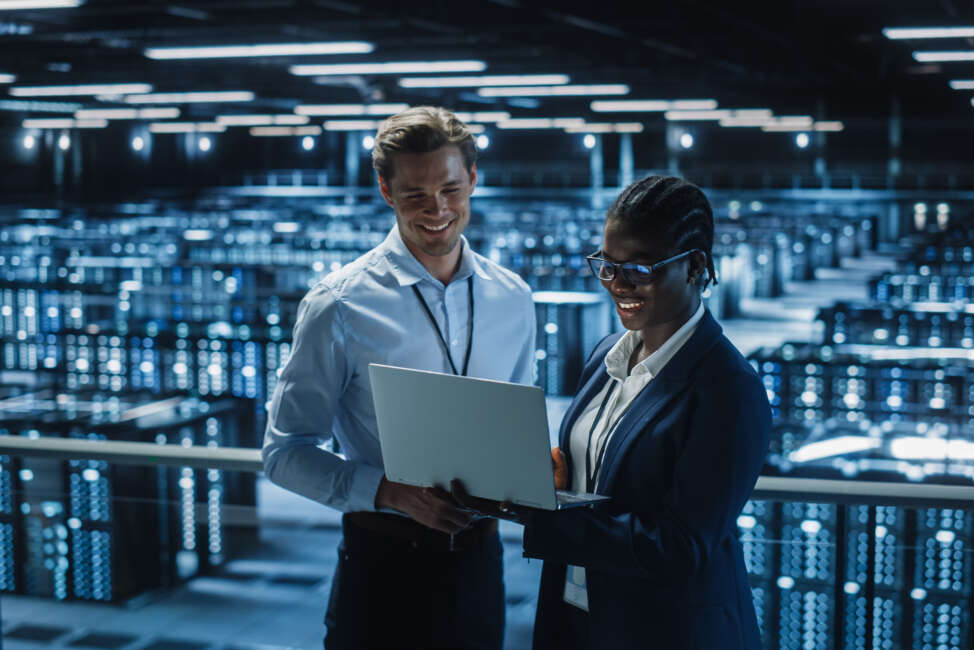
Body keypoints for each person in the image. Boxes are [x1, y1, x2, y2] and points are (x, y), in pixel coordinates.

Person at [261, 106, 537, 650]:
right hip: (382, 567)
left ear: (474, 180)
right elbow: (284, 453)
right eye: (414, 194)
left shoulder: (513, 298)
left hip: (481, 564)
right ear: (386, 192)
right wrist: (387, 492)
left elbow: (515, 429)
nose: (436, 210)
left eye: (451, 189)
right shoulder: (338, 305)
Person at [460, 175, 771, 649]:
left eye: (640, 269)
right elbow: (599, 482)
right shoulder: (607, 355)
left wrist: (539, 516)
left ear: (693, 267)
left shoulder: (727, 389)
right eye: (607, 265)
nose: (617, 283)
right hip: (579, 614)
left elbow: (679, 547)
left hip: (664, 631)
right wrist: (548, 483)